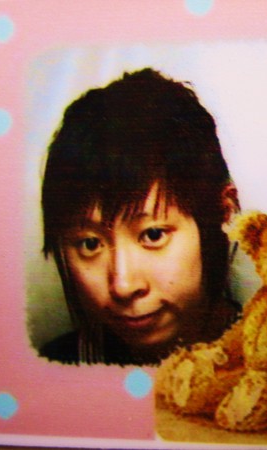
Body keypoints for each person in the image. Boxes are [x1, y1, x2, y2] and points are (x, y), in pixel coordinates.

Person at [38, 68, 241, 365]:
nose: (123, 285)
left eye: (153, 235)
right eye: (90, 244)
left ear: (223, 212)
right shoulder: (48, 372)